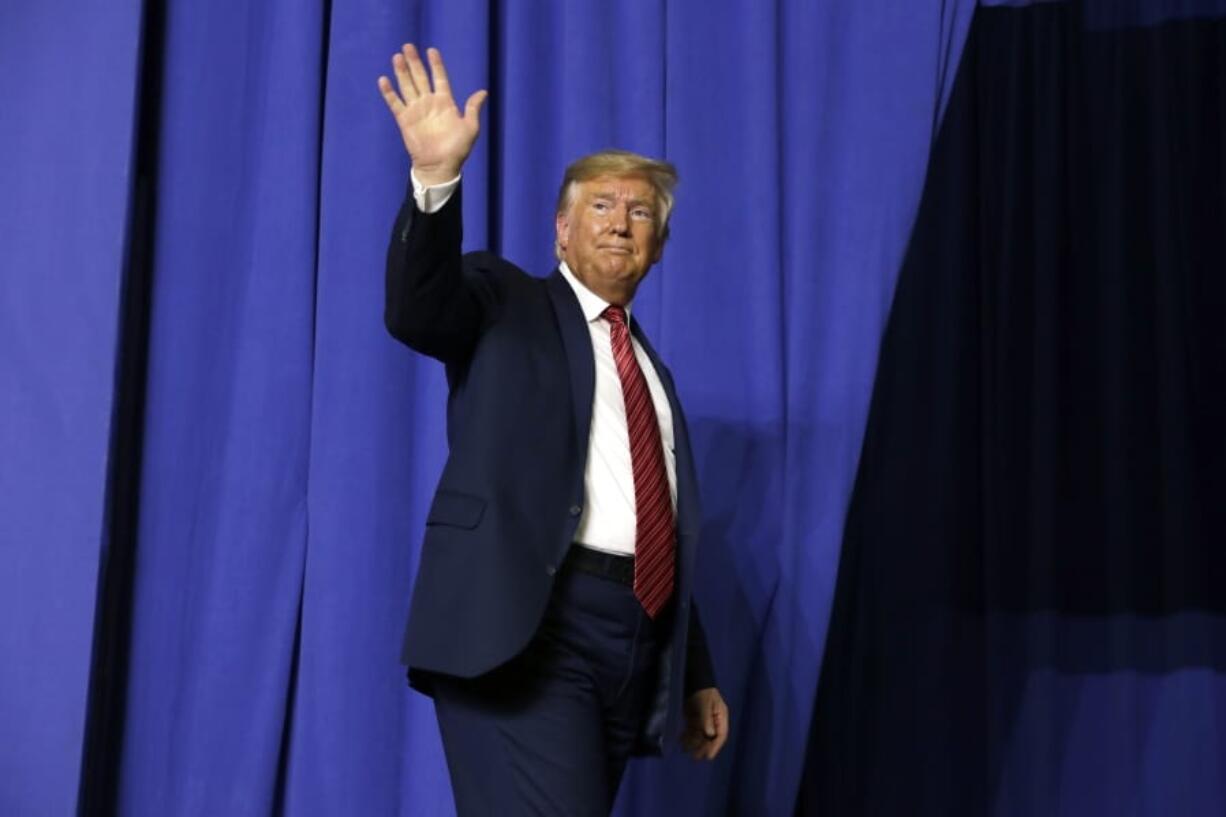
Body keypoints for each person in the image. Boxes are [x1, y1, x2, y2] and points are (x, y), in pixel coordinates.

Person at [377, 43, 729, 815]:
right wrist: (436, 180)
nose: (620, 222)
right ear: (560, 232)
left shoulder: (652, 376)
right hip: (527, 630)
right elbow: (418, 307)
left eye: (640, 212)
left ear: (658, 246)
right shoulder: (505, 300)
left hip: (630, 648)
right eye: (600, 205)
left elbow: (656, 524)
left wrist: (691, 668)